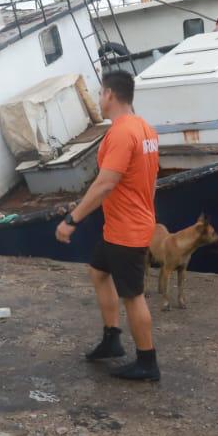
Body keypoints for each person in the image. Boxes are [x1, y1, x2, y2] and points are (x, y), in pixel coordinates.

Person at [55, 71, 161, 381]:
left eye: (100, 93)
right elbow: (151, 179)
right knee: (98, 271)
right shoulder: (146, 129)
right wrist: (149, 215)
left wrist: (72, 220)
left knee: (133, 295)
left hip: (126, 230)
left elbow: (105, 184)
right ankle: (112, 338)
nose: (99, 99)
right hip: (126, 225)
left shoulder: (120, 133)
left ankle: (147, 361)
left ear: (110, 95)